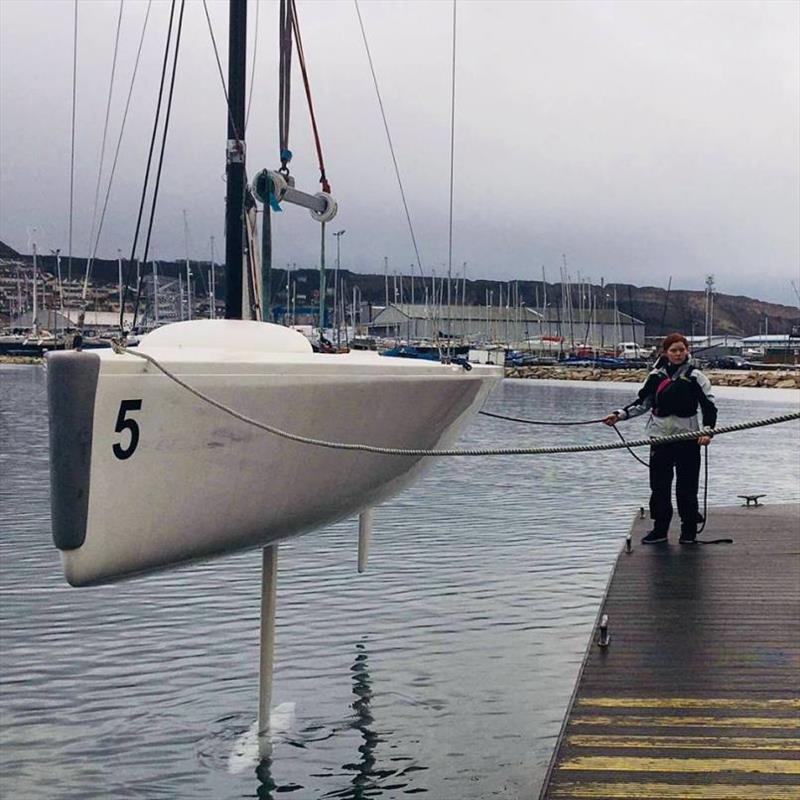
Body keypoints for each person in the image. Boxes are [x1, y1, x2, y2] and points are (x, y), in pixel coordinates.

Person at [603, 333, 717, 544]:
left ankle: (689, 531)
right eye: (673, 350)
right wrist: (619, 415)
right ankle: (660, 530)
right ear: (665, 352)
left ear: (687, 351)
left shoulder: (696, 377)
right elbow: (642, 403)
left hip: (688, 440)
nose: (677, 354)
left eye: (681, 350)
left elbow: (708, 407)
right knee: (659, 487)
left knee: (687, 488)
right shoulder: (655, 376)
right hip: (659, 439)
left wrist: (707, 431)